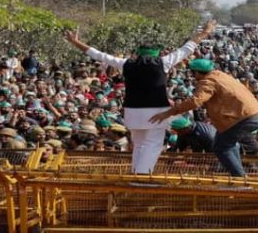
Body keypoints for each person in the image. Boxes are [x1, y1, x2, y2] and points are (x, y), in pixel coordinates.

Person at [64, 20, 216, 174]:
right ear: (158, 53)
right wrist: (205, 32)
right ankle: (141, 178)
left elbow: (100, 55)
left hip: (133, 113)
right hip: (156, 112)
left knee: (139, 145)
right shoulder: (164, 62)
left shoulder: (126, 64)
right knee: (152, 145)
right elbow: (187, 48)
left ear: (138, 53)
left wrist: (75, 42)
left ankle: (135, 174)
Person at [149, 58, 258, 177]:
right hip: (249, 115)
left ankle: (240, 178)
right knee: (225, 143)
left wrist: (169, 112)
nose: (192, 76)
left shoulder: (208, 81)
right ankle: (238, 173)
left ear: (197, 72)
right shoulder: (220, 75)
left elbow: (195, 101)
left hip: (243, 118)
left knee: (221, 147)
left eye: (193, 73)